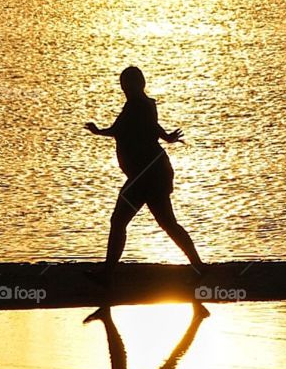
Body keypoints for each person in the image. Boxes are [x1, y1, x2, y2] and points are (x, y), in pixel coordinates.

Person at [85, 66, 204, 283]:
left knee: (120, 220)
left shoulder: (138, 106)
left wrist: (98, 131)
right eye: (123, 84)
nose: (124, 88)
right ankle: (198, 265)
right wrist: (167, 137)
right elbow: (151, 127)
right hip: (151, 173)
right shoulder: (143, 104)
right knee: (166, 222)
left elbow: (119, 130)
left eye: (126, 83)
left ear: (136, 84)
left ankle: (107, 274)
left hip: (146, 175)